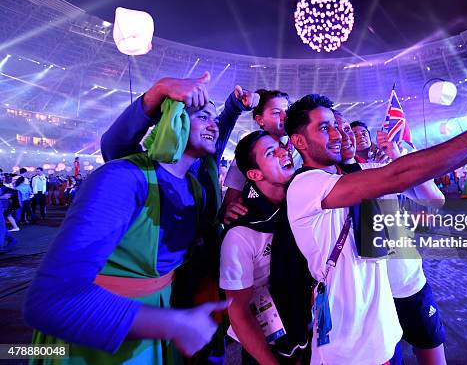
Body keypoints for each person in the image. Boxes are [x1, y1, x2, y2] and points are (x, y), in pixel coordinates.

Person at [284, 71, 467, 364]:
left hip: (384, 332)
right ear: (298, 141)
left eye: (338, 127)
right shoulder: (304, 186)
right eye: (324, 128)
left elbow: (426, 184)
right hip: (348, 349)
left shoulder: (360, 174)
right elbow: (398, 175)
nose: (338, 135)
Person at [24, 73, 230, 364]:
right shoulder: (123, 177)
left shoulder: (195, 187)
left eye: (216, 118)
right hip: (97, 332)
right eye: (202, 115)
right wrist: (174, 325)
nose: (214, 125)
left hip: (157, 327)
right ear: (174, 117)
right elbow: (50, 301)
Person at [336, 111, 448, 365]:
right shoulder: (321, 182)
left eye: (352, 132)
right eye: (339, 130)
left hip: (407, 281)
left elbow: (435, 199)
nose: (347, 137)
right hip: (367, 298)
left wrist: (398, 157)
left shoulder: (381, 169)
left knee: (432, 355)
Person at [220, 131, 311, 365]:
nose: (284, 151)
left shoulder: (300, 205)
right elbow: (238, 313)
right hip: (266, 342)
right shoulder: (240, 233)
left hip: (309, 325)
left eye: (281, 146)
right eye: (271, 153)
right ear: (254, 174)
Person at [221, 89, 302, 225]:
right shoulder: (248, 153)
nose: (284, 116)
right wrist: (228, 211)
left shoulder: (303, 146)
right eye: (276, 112)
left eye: (287, 110)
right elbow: (228, 205)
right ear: (260, 120)